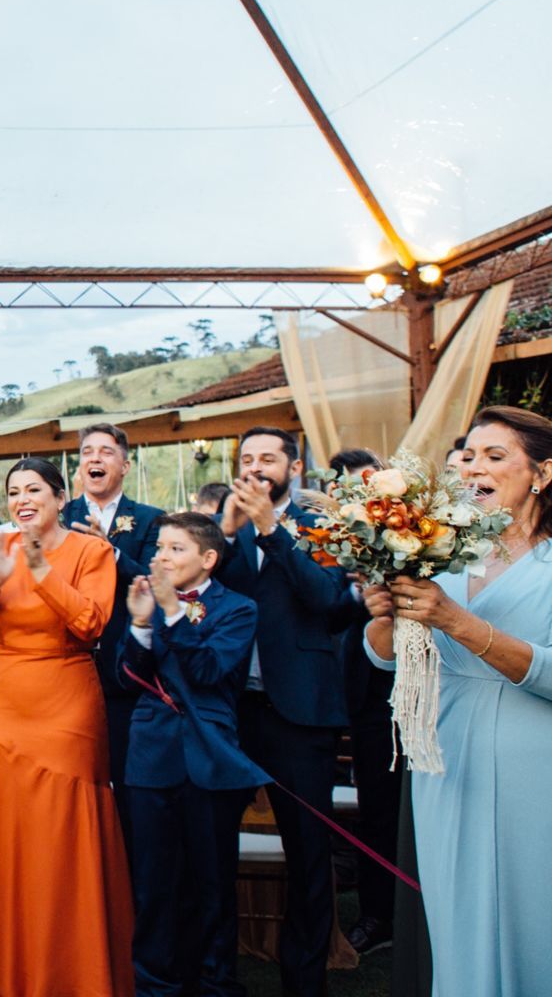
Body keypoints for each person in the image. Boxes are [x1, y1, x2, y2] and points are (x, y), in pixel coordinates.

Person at [362, 404, 552, 995]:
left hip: (533, 758)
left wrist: (459, 622)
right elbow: (385, 658)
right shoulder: (441, 552)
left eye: (496, 457)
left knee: (531, 907)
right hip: (444, 758)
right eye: (470, 455)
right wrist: (385, 621)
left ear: (542, 474)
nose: (474, 468)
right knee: (452, 905)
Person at [0, 457, 132, 996]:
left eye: (33, 490)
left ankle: (76, 965)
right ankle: (3, 963)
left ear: (58, 497)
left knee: (62, 832)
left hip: (67, 704)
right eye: (13, 492)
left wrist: (41, 570)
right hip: (4, 705)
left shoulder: (92, 551)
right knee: (7, 831)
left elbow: (91, 623)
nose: (22, 500)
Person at [216, 426, 357, 997]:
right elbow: (202, 597)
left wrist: (272, 531)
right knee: (211, 846)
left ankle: (303, 981)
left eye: (267, 458)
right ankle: (217, 973)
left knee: (307, 852)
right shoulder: (225, 529)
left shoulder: (322, 527)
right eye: (246, 458)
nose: (255, 467)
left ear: (293, 469)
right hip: (228, 713)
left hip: (299, 714)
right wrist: (225, 537)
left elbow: (326, 601)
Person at [119, 512, 265, 997]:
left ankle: (215, 983)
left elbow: (209, 672)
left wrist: (174, 614)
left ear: (208, 559)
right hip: (152, 756)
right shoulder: (151, 603)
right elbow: (126, 678)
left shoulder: (239, 608)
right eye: (159, 547)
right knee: (154, 884)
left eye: (175, 549)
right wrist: (141, 624)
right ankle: (155, 985)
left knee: (212, 883)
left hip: (209, 758)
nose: (161, 557)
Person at [63, 423, 166, 799]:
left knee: (123, 778)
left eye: (106, 452)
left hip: (123, 666)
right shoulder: (60, 515)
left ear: (124, 464)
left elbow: (156, 583)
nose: (95, 458)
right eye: (88, 451)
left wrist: (111, 551)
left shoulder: (151, 519)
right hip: (66, 662)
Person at [325, 446, 396, 959]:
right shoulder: (325, 544)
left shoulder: (412, 532)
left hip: (415, 690)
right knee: (377, 809)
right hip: (360, 693)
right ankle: (379, 915)